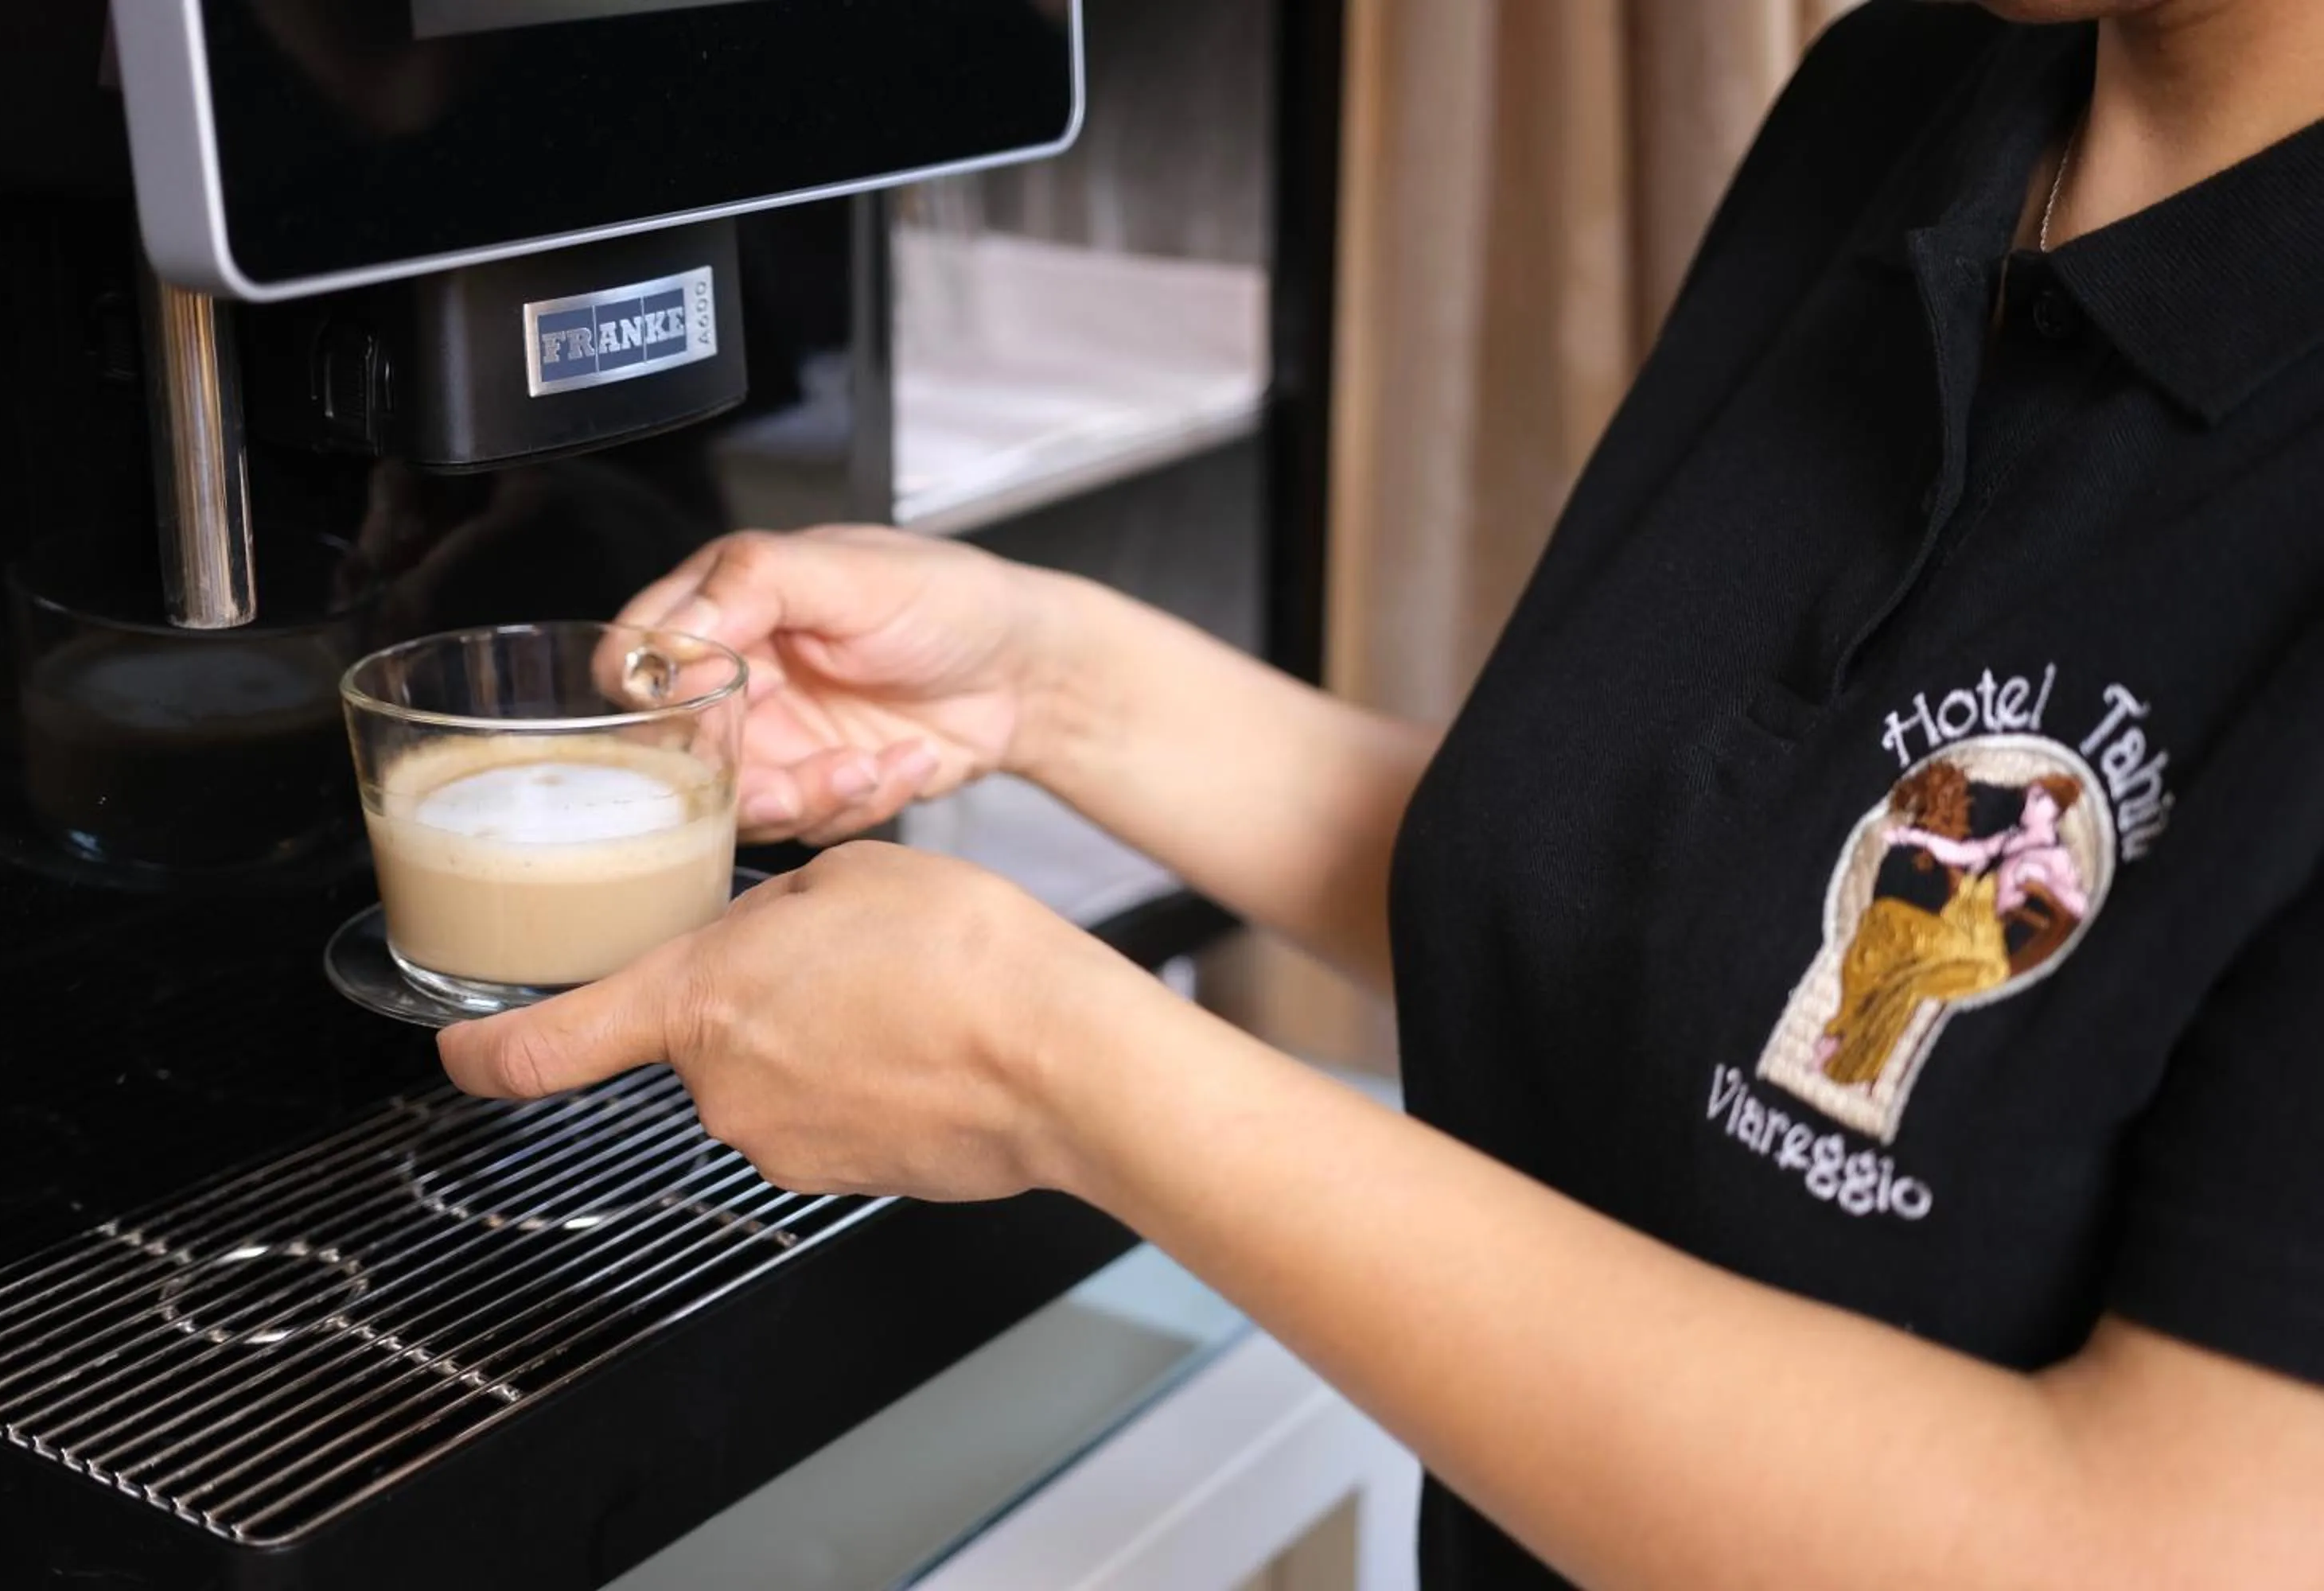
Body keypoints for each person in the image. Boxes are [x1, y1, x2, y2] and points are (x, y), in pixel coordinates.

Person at [441, 0, 2324, 1583]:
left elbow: (2156, 1542)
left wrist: (1061, 1070)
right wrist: (1049, 680)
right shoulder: (1914, 95)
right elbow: (1694, 926)